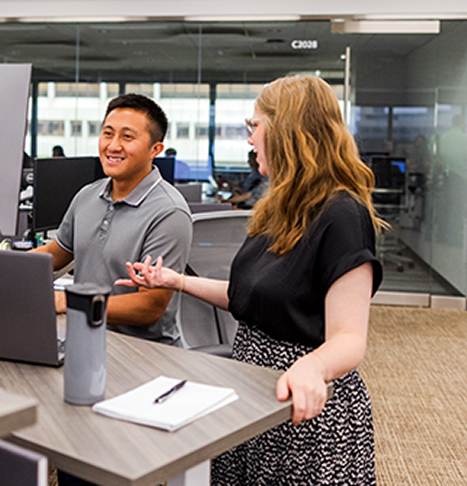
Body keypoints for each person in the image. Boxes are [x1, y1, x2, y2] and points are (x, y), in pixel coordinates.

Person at [118, 75, 385, 485]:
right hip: (253, 389)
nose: (249, 140)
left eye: (254, 126)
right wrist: (177, 282)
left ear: (287, 131)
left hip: (304, 408)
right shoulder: (279, 208)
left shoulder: (342, 214)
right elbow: (253, 298)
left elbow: (350, 339)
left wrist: (312, 366)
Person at [34, 93, 192, 345]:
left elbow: (149, 306)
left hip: (145, 352)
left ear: (156, 149)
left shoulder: (169, 212)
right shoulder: (87, 195)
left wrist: (67, 302)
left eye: (127, 137)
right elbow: (57, 254)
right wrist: (4, 267)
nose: (113, 145)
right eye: (108, 133)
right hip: (85, 336)